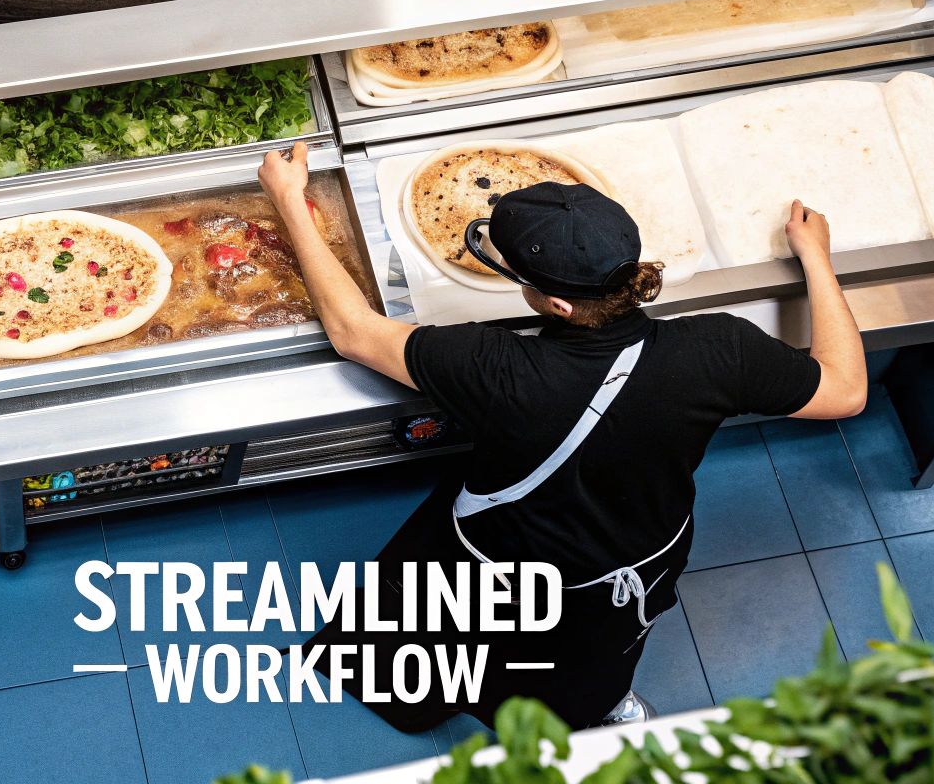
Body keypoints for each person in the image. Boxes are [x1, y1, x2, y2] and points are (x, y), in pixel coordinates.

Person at [257, 141, 866, 731]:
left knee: (426, 642)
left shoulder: (498, 369)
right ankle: (593, 713)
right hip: (621, 573)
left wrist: (289, 199)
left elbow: (354, 332)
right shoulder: (719, 349)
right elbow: (846, 391)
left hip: (493, 561)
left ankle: (416, 708)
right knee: (580, 675)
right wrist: (816, 257)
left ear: (555, 305)